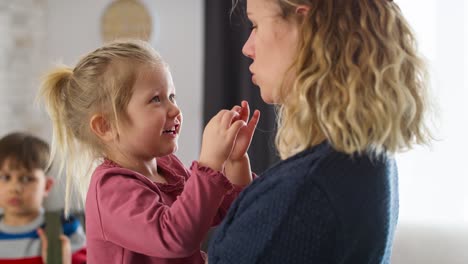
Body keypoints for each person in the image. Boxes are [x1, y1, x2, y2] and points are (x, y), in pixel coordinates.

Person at [208, 0, 431, 263]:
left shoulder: (305, 192)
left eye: (256, 25)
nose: (247, 48)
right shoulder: (366, 160)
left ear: (306, 28)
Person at [39, 39, 260, 264]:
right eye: (156, 99)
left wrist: (235, 160)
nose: (175, 109)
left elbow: (222, 211)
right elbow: (175, 236)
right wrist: (210, 165)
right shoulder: (111, 189)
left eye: (171, 96)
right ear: (106, 126)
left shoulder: (169, 167)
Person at [0, 132, 87, 264]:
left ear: (46, 186)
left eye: (26, 179)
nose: (15, 188)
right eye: (5, 177)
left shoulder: (64, 228)